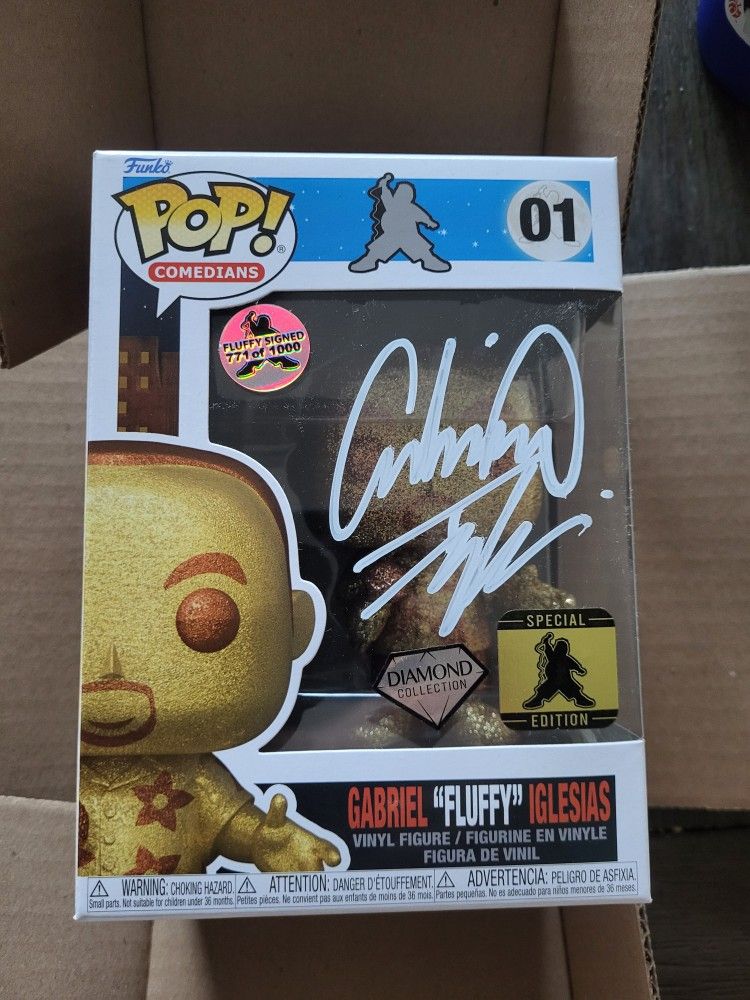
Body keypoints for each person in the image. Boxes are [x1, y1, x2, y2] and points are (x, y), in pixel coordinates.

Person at [78, 441, 340, 876]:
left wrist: (263, 839)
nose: (111, 670)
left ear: (296, 626)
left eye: (205, 619)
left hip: (179, 915)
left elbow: (228, 824)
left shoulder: (192, 777)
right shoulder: (43, 773)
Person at [349, 173, 451, 273]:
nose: (402, 196)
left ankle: (429, 261)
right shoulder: (391, 204)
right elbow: (385, 194)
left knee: (421, 248)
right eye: (400, 192)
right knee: (378, 248)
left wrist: (430, 222)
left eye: (405, 194)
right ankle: (369, 261)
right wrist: (384, 185)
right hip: (391, 235)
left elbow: (422, 216)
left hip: (409, 235)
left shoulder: (411, 208)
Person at [522, 632, 595, 710]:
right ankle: (537, 701)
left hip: (565, 680)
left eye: (562, 648)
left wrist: (579, 670)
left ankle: (580, 700)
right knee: (543, 691)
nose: (561, 650)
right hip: (553, 680)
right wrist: (546, 642)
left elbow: (574, 665)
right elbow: (548, 649)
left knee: (574, 691)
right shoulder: (553, 656)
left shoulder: (565, 659)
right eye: (559, 647)